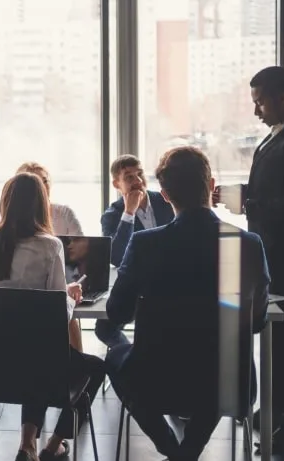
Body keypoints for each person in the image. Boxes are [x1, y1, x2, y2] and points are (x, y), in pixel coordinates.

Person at [106, 146, 270, 460]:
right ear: (211, 185)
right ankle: (189, 452)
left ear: (164, 195)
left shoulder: (145, 244)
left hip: (157, 379)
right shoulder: (246, 244)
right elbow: (258, 320)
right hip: (229, 382)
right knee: (218, 365)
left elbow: (116, 313)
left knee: (116, 361)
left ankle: (174, 450)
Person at [214, 66, 284, 452]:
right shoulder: (280, 137)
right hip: (276, 253)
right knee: (279, 338)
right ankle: (280, 412)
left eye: (260, 101)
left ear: (283, 98)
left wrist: (249, 202)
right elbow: (274, 190)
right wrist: (241, 194)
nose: (256, 110)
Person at [0, 173, 105, 461]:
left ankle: (27, 445)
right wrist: (69, 296)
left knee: (34, 354)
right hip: (39, 363)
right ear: (41, 205)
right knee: (90, 367)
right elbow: (57, 312)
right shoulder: (49, 245)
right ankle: (53, 444)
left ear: (5, 201)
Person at [97, 155, 175, 348]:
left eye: (140, 174)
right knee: (104, 327)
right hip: (137, 286)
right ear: (117, 183)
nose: (138, 181)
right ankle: (129, 357)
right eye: (129, 177)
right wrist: (129, 213)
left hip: (171, 282)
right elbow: (116, 257)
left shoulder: (166, 202)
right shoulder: (112, 215)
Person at [16, 162, 84, 236]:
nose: (43, 187)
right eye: (37, 183)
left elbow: (81, 244)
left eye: (45, 181)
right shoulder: (15, 218)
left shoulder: (65, 214)